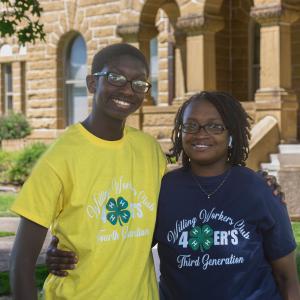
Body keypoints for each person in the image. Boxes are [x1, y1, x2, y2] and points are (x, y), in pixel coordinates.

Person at [9, 43, 166, 300]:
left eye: (139, 83)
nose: (127, 89)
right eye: (115, 78)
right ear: (92, 83)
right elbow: (22, 262)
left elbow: (147, 231)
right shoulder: (60, 158)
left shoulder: (150, 150)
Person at [155, 91, 300, 299]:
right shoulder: (164, 190)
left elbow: (287, 278)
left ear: (231, 135)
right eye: (191, 125)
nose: (201, 134)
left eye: (215, 126)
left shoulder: (258, 189)